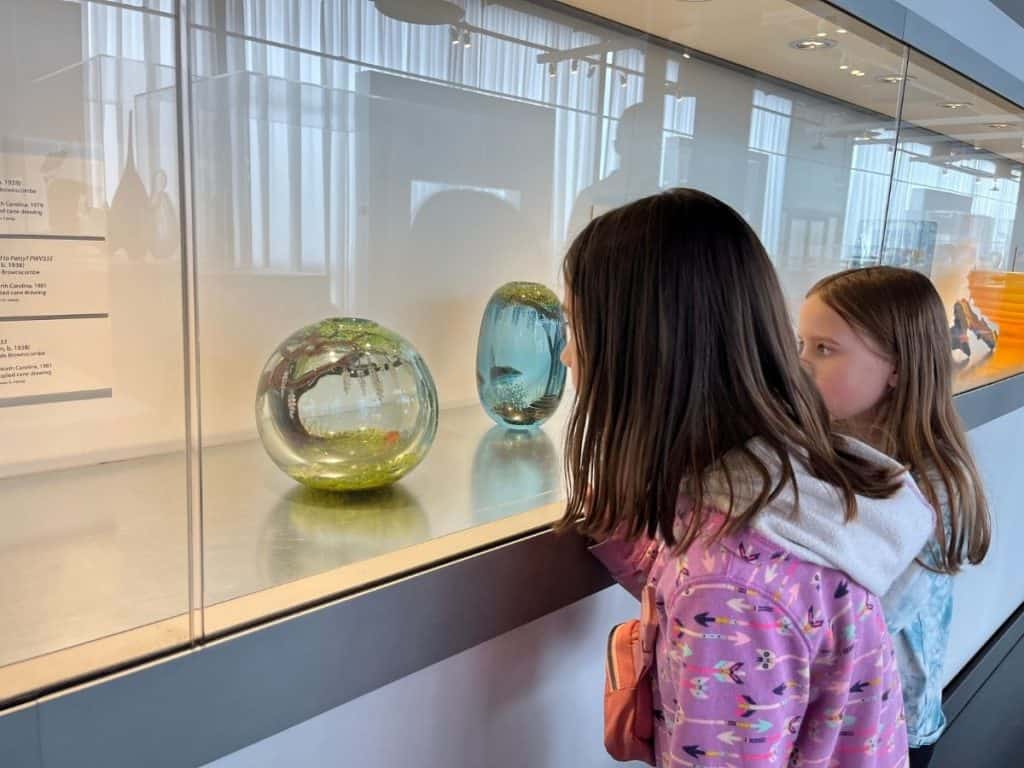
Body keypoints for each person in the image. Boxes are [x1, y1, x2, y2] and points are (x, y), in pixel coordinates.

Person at [556, 188, 934, 767]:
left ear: (639, 352)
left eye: (575, 328)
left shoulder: (731, 588)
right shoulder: (781, 495)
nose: (567, 358)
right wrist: (626, 532)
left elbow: (724, 603)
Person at [799, 266, 992, 768]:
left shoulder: (934, 490)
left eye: (824, 349)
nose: (800, 364)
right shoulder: (838, 449)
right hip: (833, 716)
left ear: (897, 368)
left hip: (891, 727)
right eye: (801, 346)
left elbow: (871, 622)